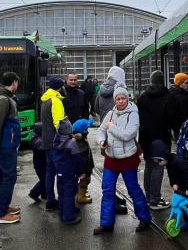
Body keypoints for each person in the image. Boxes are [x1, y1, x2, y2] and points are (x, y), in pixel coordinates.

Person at [93, 87, 152, 235]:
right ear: (115, 100)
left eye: (123, 98)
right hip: (111, 158)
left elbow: (127, 135)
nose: (120, 101)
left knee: (133, 190)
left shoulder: (133, 114)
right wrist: (101, 141)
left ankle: (145, 219)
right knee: (107, 191)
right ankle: (106, 224)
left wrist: (111, 128)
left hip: (128, 159)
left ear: (127, 99)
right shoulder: (111, 113)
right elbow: (100, 130)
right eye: (118, 99)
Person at [136, 70, 172, 209]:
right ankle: (155, 200)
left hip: (146, 137)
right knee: (158, 167)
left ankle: (149, 197)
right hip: (161, 137)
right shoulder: (167, 96)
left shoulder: (143, 96)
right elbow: (170, 117)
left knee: (149, 166)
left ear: (151, 81)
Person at [0, 72, 22, 225]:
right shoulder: (3, 99)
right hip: (5, 145)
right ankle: (1, 213)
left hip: (8, 143)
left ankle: (3, 206)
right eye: (17, 83)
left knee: (4, 175)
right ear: (14, 82)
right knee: (9, 176)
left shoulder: (6, 98)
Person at [41, 76, 74, 219]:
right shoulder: (56, 101)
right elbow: (58, 123)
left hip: (47, 141)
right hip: (56, 143)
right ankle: (64, 206)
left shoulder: (45, 99)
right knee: (62, 174)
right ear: (60, 87)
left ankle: (50, 200)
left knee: (50, 171)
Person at [72, 118, 94, 204]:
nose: (87, 131)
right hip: (84, 169)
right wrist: (85, 171)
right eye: (86, 129)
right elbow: (84, 159)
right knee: (85, 181)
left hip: (83, 168)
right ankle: (81, 197)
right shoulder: (80, 144)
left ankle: (81, 193)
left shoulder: (81, 140)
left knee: (83, 182)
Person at [167, 73, 188, 140]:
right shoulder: (180, 97)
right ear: (180, 84)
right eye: (186, 83)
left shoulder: (173, 94)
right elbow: (184, 117)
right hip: (182, 131)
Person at [28, 122, 48, 203]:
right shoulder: (39, 140)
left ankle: (44, 194)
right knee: (44, 180)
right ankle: (33, 193)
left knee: (44, 179)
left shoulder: (35, 138)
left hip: (39, 164)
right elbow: (41, 148)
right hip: (41, 165)